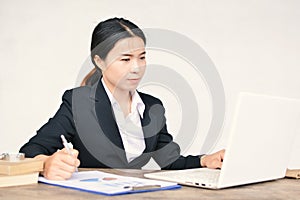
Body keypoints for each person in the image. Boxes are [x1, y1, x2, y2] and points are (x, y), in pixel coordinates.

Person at [20, 17, 224, 180]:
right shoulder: (78, 102)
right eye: (125, 59)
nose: (136, 68)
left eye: (142, 57)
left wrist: (206, 160)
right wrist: (46, 164)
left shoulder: (152, 106)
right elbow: (30, 151)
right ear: (99, 61)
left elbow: (168, 160)